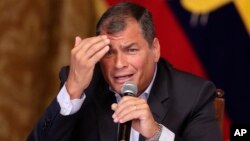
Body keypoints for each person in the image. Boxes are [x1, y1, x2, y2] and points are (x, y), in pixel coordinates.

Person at [28, 2, 222, 141]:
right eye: (109, 53)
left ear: (155, 49)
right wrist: (73, 90)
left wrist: (156, 133)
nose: (119, 64)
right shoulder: (84, 83)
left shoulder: (194, 94)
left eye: (131, 50)